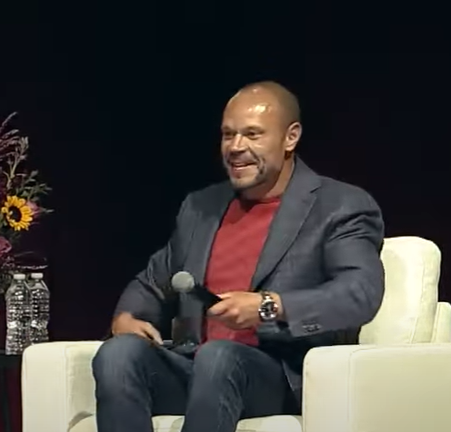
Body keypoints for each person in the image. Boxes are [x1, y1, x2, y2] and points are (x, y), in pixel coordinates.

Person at [91, 81, 386, 432]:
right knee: (117, 354)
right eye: (228, 135)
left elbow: (359, 293)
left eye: (252, 134)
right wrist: (126, 318)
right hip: (196, 368)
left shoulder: (339, 206)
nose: (235, 147)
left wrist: (268, 306)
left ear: (290, 137)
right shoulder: (201, 207)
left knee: (218, 357)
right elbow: (154, 280)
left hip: (276, 374)